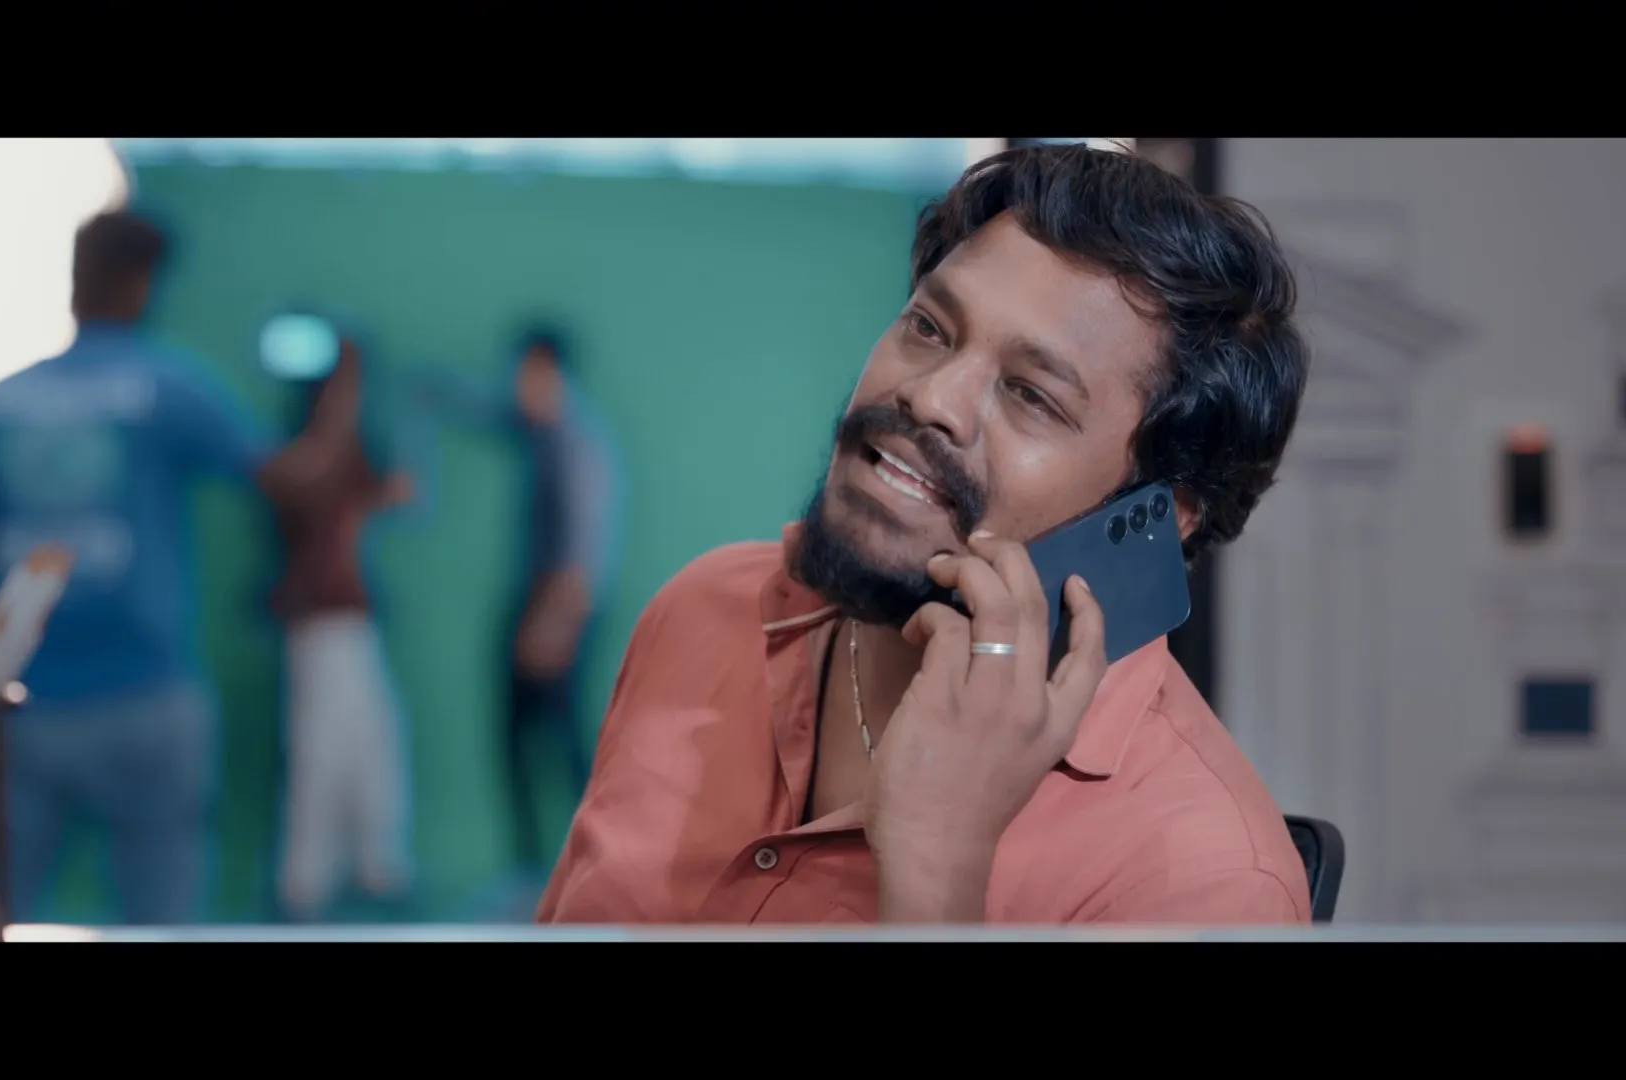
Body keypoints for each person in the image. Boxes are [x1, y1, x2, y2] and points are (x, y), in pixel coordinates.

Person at [537, 143, 1313, 925]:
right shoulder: (706, 611)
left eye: (1031, 395)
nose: (930, 395)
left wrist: (937, 871)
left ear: (1158, 513)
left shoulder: (1208, 880)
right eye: (930, 327)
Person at [0, 210, 281, 925]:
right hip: (145, 699)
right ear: (143, 285)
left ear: (73, 277)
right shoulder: (168, 385)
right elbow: (280, 481)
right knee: (160, 925)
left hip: (18, 704)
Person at [414, 325, 621, 878]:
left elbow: (584, 555)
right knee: (514, 741)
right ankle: (530, 869)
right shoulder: (538, 432)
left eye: (526, 373)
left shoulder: (580, 445)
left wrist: (554, 625)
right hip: (532, 600)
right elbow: (487, 411)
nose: (517, 386)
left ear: (552, 372)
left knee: (563, 741)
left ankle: (595, 867)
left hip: (560, 607)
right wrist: (436, 389)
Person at [267, 327, 416, 920]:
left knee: (370, 748)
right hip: (319, 627)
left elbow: (396, 493)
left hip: (350, 624)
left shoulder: (347, 459)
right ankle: (302, 885)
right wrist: (348, 370)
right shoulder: (306, 459)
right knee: (319, 754)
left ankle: (371, 870)